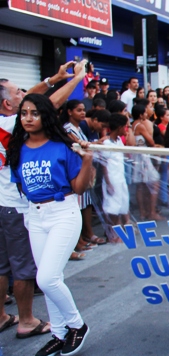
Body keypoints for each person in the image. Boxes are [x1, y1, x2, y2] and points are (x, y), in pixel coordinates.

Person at [0, 60, 84, 339]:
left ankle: (60, 331)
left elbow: (33, 102)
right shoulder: (14, 131)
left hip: (24, 208)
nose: (24, 95)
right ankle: (35, 322)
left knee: (23, 271)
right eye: (17, 94)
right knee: (31, 272)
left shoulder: (16, 127)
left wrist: (53, 79)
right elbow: (45, 104)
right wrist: (75, 79)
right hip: (21, 209)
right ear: (9, 106)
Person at [7, 93, 94, 356]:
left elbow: (78, 188)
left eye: (35, 113)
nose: (28, 118)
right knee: (50, 280)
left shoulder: (62, 146)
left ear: (46, 116)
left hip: (63, 213)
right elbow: (21, 186)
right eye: (24, 113)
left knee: (46, 279)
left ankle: (77, 325)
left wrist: (87, 160)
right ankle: (58, 334)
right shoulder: (17, 148)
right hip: (35, 216)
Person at [60, 100, 102, 255]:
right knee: (77, 205)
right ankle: (77, 240)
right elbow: (78, 145)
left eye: (84, 110)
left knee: (86, 202)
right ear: (69, 112)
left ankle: (86, 235)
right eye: (79, 110)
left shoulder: (79, 128)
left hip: (83, 168)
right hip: (75, 169)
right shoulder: (67, 129)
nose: (83, 113)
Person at [101, 113, 131, 243]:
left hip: (120, 177)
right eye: (125, 126)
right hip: (112, 179)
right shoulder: (106, 143)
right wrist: (108, 182)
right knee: (112, 207)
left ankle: (117, 231)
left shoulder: (118, 141)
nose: (126, 129)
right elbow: (104, 164)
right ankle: (110, 233)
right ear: (119, 127)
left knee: (121, 205)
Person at [132, 102, 162, 221]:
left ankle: (143, 212)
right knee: (154, 182)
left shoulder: (133, 125)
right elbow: (151, 142)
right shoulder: (140, 126)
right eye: (144, 112)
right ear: (140, 115)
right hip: (143, 158)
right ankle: (152, 212)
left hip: (137, 158)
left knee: (141, 186)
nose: (146, 114)